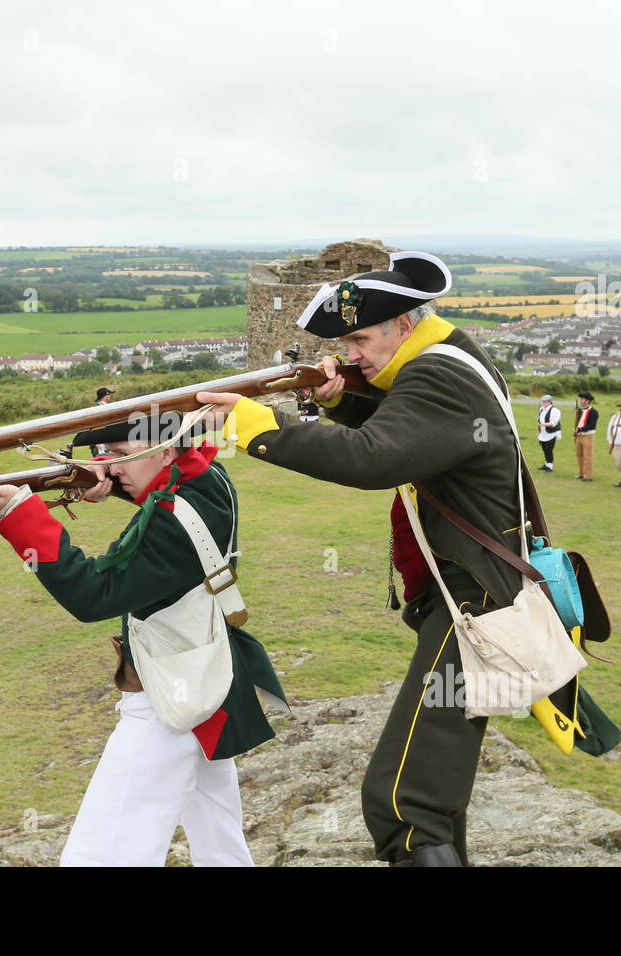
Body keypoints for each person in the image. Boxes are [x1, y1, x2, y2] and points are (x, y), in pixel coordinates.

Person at [197, 250, 529, 867]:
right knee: (435, 789)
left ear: (404, 325)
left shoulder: (434, 374)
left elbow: (375, 459)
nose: (352, 354)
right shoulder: (447, 356)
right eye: (345, 342)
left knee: (404, 800)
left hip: (475, 597)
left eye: (360, 338)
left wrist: (254, 424)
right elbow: (416, 433)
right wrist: (341, 399)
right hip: (475, 587)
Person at [0, 414, 287, 866]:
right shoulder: (209, 478)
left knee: (104, 850)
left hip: (168, 698)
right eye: (105, 456)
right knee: (220, 844)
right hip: (201, 679)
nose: (110, 466)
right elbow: (167, 491)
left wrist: (19, 514)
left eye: (118, 456)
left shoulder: (176, 521)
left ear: (167, 450)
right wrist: (110, 481)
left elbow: (95, 595)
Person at [573, 391, 598, 481]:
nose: (581, 401)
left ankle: (588, 476)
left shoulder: (593, 412)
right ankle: (581, 473)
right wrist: (575, 433)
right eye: (581, 399)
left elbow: (592, 425)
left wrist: (581, 429)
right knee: (579, 455)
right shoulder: (579, 410)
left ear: (587, 401)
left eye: (583, 399)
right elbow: (577, 423)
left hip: (588, 436)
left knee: (587, 456)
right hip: (579, 436)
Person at [536, 394, 562, 472]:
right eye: (542, 401)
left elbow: (553, 423)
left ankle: (550, 466)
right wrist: (538, 431)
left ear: (550, 402)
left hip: (551, 433)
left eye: (544, 401)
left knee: (549, 449)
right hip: (543, 433)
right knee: (544, 449)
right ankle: (547, 463)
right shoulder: (541, 409)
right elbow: (539, 421)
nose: (543, 403)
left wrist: (542, 424)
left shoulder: (555, 410)